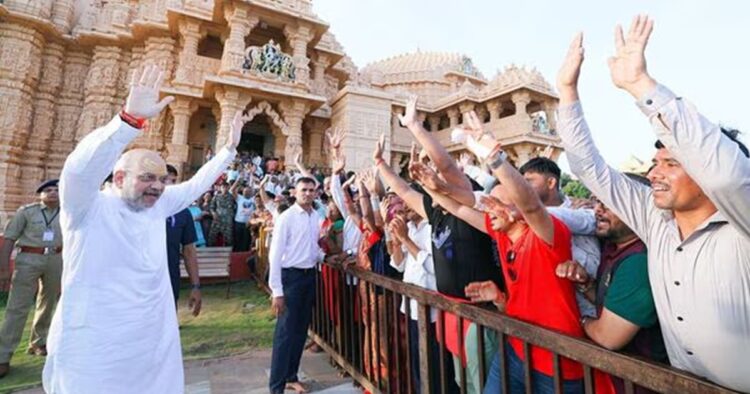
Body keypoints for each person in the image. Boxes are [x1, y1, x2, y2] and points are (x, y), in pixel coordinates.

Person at [555, 15, 750, 392]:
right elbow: (589, 168)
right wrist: (567, 93)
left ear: (703, 172)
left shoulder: (741, 219)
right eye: (654, 163)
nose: (654, 174)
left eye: (672, 163)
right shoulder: (654, 217)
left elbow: (727, 174)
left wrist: (640, 86)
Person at [42, 65, 248, 393]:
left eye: (162, 179)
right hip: (95, 349)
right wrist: (127, 122)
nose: (157, 186)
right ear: (119, 178)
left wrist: (229, 151)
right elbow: (78, 171)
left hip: (151, 345)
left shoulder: (160, 204)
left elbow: (197, 184)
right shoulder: (87, 207)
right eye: (147, 177)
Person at [556, 174, 667, 394]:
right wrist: (586, 283)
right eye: (597, 201)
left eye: (610, 204)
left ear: (638, 209)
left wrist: (579, 320)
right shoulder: (614, 246)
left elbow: (609, 337)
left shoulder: (638, 261)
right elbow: (609, 298)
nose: (598, 209)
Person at [519, 157, 600, 318]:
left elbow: (589, 221)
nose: (522, 189)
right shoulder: (523, 218)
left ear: (551, 183)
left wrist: (529, 213)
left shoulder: (583, 212)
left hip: (590, 311)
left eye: (529, 182)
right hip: (551, 312)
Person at [0, 179, 63, 378]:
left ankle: (38, 343)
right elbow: (9, 238)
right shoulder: (27, 212)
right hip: (29, 258)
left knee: (48, 302)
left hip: (55, 258)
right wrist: (4, 268)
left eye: (57, 190)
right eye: (49, 190)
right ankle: (3, 355)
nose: (53, 193)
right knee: (17, 306)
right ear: (40, 194)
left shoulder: (68, 211)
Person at [268, 177, 324, 394]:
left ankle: (291, 376)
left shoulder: (315, 216)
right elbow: (275, 255)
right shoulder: (287, 217)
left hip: (308, 277)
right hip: (289, 279)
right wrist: (277, 291)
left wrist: (325, 256)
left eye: (311, 190)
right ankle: (276, 387)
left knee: (300, 332)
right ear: (295, 192)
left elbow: (311, 248)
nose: (308, 194)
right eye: (304, 190)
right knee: (284, 335)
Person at [164, 164, 202, 316]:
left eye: (173, 181)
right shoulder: (140, 209)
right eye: (165, 180)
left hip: (170, 279)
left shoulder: (183, 213)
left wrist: (196, 286)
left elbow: (189, 251)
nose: (170, 185)